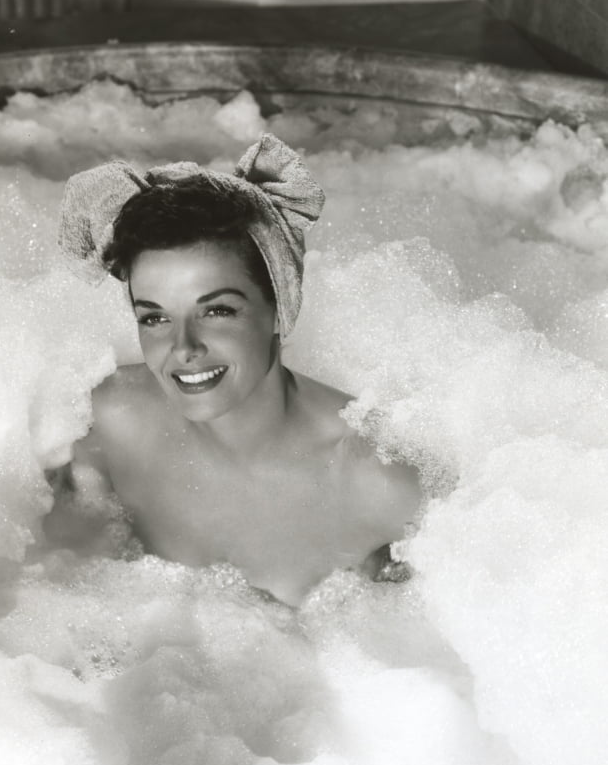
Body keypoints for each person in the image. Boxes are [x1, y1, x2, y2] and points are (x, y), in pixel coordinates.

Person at [45, 134, 420, 607]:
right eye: (155, 317)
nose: (183, 348)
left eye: (217, 311)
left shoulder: (380, 480)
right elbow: (49, 597)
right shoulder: (106, 420)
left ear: (279, 309)